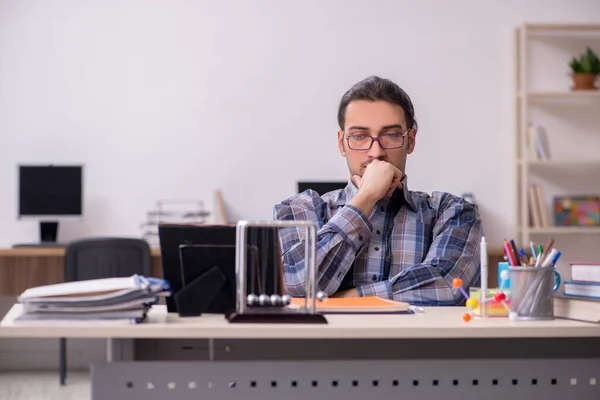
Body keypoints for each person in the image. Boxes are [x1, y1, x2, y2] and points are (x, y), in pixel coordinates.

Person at [273, 76, 483, 306]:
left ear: (410, 141)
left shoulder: (453, 212)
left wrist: (343, 299)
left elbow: (449, 288)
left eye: (391, 135)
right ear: (341, 143)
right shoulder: (299, 209)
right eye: (360, 136)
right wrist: (365, 198)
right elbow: (298, 285)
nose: (376, 152)